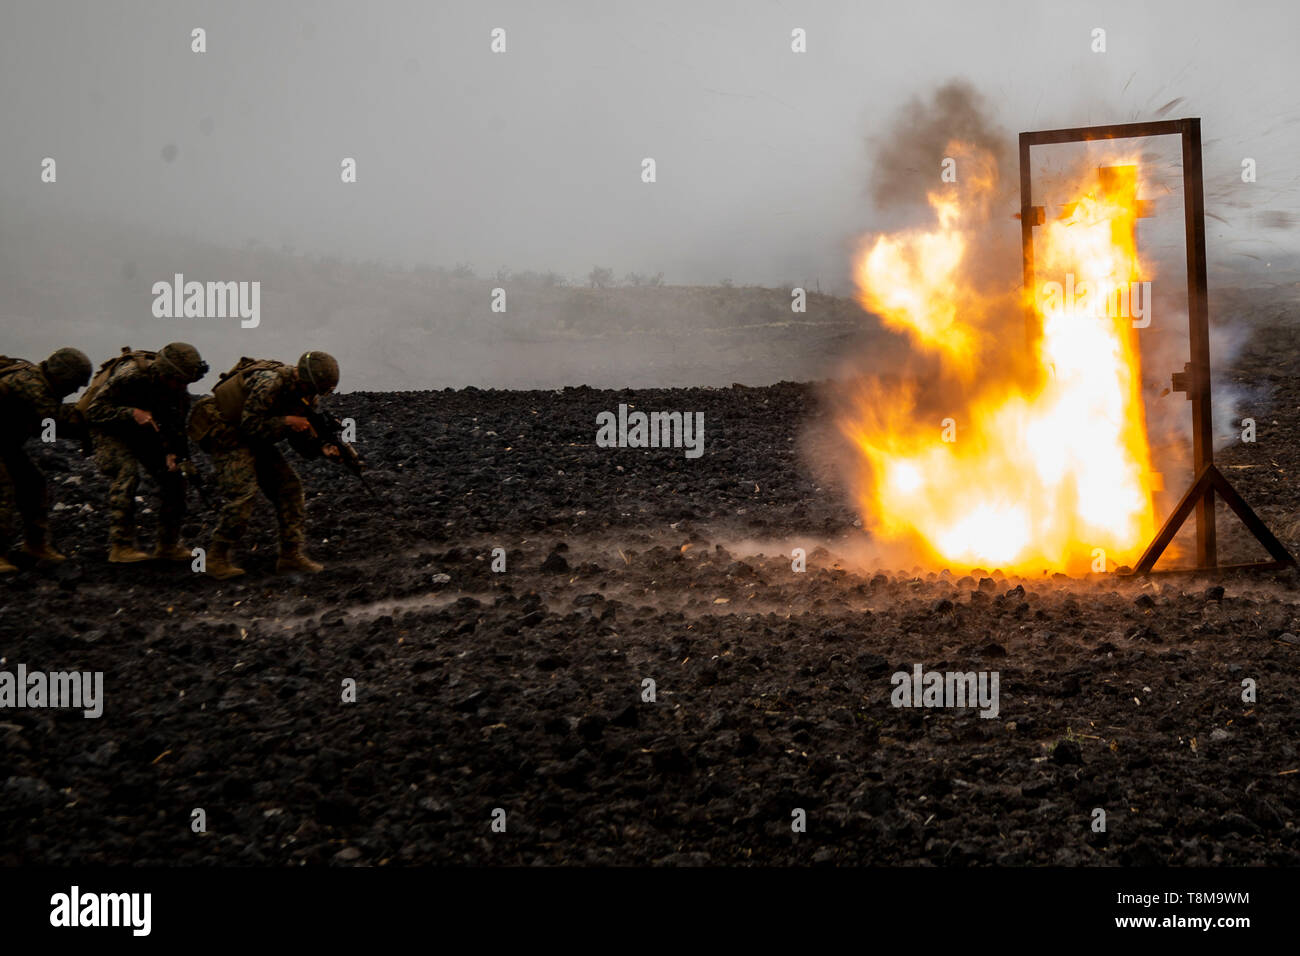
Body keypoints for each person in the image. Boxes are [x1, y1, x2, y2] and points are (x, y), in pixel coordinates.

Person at [189, 351, 340, 579]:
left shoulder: (306, 394)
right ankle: (215, 558)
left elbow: (298, 440)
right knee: (243, 495)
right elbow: (250, 424)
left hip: (255, 438)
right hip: (227, 433)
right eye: (312, 388)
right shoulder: (270, 383)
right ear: (302, 377)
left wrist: (321, 448)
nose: (313, 394)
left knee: (289, 489)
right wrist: (287, 421)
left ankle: (290, 556)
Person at [82, 343, 209, 563]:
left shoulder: (178, 392)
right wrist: (131, 413)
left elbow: (176, 427)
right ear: (164, 372)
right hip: (110, 429)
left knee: (175, 480)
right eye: (178, 380)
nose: (181, 386)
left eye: (186, 382)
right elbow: (94, 411)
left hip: (144, 431)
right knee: (127, 472)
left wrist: (174, 455)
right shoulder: (130, 376)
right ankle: (121, 547)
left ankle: (168, 546)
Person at [0, 348, 93, 572]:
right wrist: (88, 413)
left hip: (4, 443)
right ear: (63, 376)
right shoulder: (30, 384)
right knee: (3, 490)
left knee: (33, 484)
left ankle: (35, 545)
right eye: (75, 383)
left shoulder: (38, 383)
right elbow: (54, 421)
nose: (76, 390)